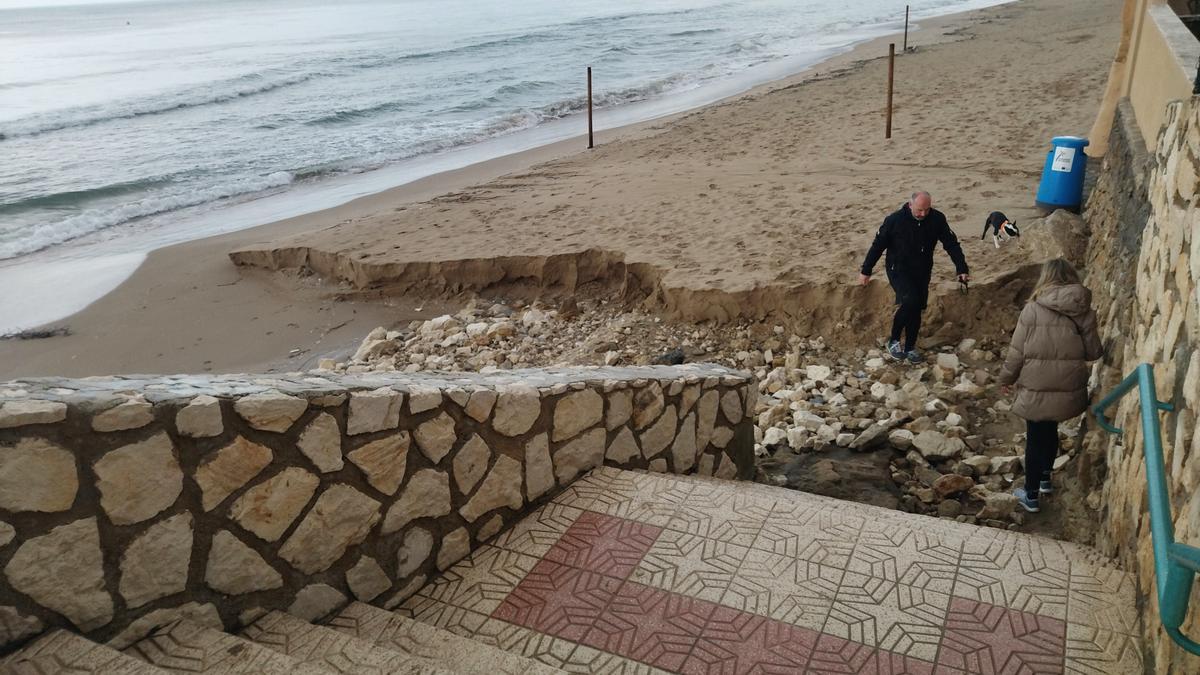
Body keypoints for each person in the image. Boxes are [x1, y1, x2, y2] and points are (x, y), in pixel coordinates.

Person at [997, 258, 1103, 513]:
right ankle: (1045, 478)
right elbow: (1093, 352)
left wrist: (1006, 379)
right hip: (1067, 385)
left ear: (1046, 278)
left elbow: (1017, 352)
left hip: (1036, 383)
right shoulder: (1084, 311)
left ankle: (1030, 495)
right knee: (1051, 428)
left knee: (1035, 436)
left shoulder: (1032, 309)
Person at [859, 191, 970, 363]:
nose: (923, 214)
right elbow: (877, 246)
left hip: (922, 269)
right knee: (910, 301)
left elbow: (951, 244)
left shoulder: (937, 219)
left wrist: (961, 268)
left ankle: (910, 347)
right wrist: (866, 270)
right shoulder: (894, 220)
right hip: (898, 268)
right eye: (919, 210)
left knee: (917, 308)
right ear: (910, 205)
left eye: (927, 209)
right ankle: (894, 340)